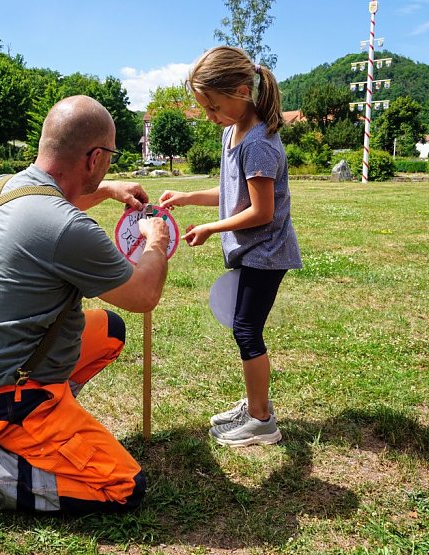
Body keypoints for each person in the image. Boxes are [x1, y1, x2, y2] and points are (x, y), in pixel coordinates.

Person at [0, 95, 170, 531]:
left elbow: (51, 211)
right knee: (123, 486)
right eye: (110, 158)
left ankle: (35, 433)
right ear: (94, 157)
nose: (109, 166)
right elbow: (144, 293)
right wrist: (156, 240)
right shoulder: (68, 228)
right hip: (6, 394)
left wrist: (107, 190)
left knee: (109, 330)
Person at [158, 46, 302, 447]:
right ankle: (256, 404)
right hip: (251, 252)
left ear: (241, 92)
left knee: (246, 330)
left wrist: (209, 227)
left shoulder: (259, 142)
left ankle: (261, 422)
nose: (210, 116)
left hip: (267, 253)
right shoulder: (231, 133)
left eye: (214, 106)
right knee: (245, 328)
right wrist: (186, 198)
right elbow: (231, 193)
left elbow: (261, 211)